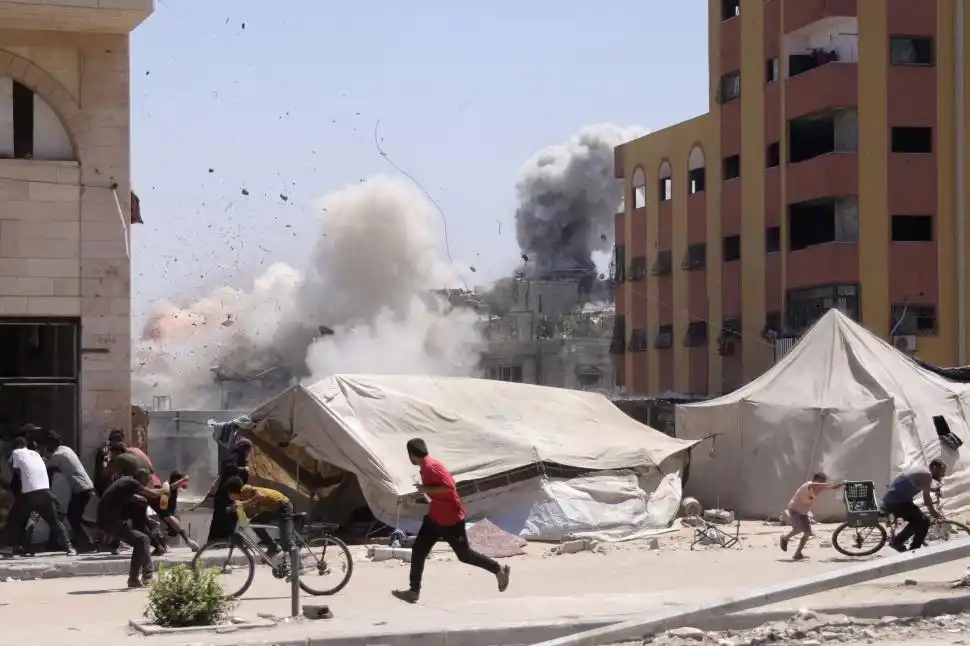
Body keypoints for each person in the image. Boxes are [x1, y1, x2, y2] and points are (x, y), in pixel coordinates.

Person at [392, 438, 510, 604]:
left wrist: (426, 489)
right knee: (419, 550)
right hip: (435, 517)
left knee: (464, 555)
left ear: (411, 455)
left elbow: (450, 487)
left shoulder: (431, 466)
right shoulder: (424, 468)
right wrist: (423, 493)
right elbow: (437, 490)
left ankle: (498, 570)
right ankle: (413, 591)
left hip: (451, 519)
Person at [2, 436, 74, 557]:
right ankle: (70, 548)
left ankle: (12, 546)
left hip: (29, 493)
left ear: (17, 446)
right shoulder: (36, 454)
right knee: (54, 522)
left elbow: (15, 472)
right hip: (45, 492)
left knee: (15, 520)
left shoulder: (16, 452)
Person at [96, 468, 166, 588]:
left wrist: (139, 500)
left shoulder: (125, 483)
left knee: (141, 541)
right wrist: (165, 489)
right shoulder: (131, 482)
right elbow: (153, 494)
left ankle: (134, 579)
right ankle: (147, 576)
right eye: (147, 479)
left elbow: (127, 497)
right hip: (111, 520)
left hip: (107, 520)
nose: (147, 483)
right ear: (141, 478)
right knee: (143, 539)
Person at [44, 431, 96, 552]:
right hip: (85, 488)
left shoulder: (58, 455)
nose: (46, 446)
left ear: (52, 443)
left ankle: (88, 543)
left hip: (81, 489)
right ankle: (56, 542)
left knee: (73, 517)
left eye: (47, 444)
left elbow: (45, 467)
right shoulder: (66, 449)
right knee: (74, 516)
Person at [881, 458, 947, 552]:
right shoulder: (927, 474)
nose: (943, 474)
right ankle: (899, 542)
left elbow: (922, 485)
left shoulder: (923, 471)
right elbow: (926, 497)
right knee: (922, 521)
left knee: (922, 521)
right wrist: (934, 513)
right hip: (897, 501)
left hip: (896, 499)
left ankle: (910, 547)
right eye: (942, 471)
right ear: (935, 467)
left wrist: (933, 490)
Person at [223, 476, 293, 559]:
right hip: (272, 509)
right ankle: (272, 546)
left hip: (283, 506)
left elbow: (260, 496)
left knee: (286, 541)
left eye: (229, 493)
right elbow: (242, 514)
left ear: (234, 492)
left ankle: (299, 565)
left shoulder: (245, 489)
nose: (229, 496)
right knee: (255, 523)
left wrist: (242, 504)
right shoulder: (242, 497)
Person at [780, 472, 844, 560]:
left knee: (807, 533)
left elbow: (833, 487)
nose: (820, 484)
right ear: (814, 480)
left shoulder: (820, 487)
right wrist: (825, 484)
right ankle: (784, 538)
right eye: (819, 482)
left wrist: (841, 484)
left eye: (822, 482)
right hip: (794, 509)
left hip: (804, 512)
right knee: (798, 529)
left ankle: (798, 553)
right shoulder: (807, 485)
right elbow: (817, 484)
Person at [206, 438, 253, 544]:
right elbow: (228, 467)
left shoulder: (240, 459)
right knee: (223, 519)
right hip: (225, 497)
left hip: (233, 496)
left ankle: (225, 542)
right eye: (247, 451)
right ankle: (217, 543)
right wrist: (243, 469)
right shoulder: (233, 457)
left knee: (231, 519)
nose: (248, 453)